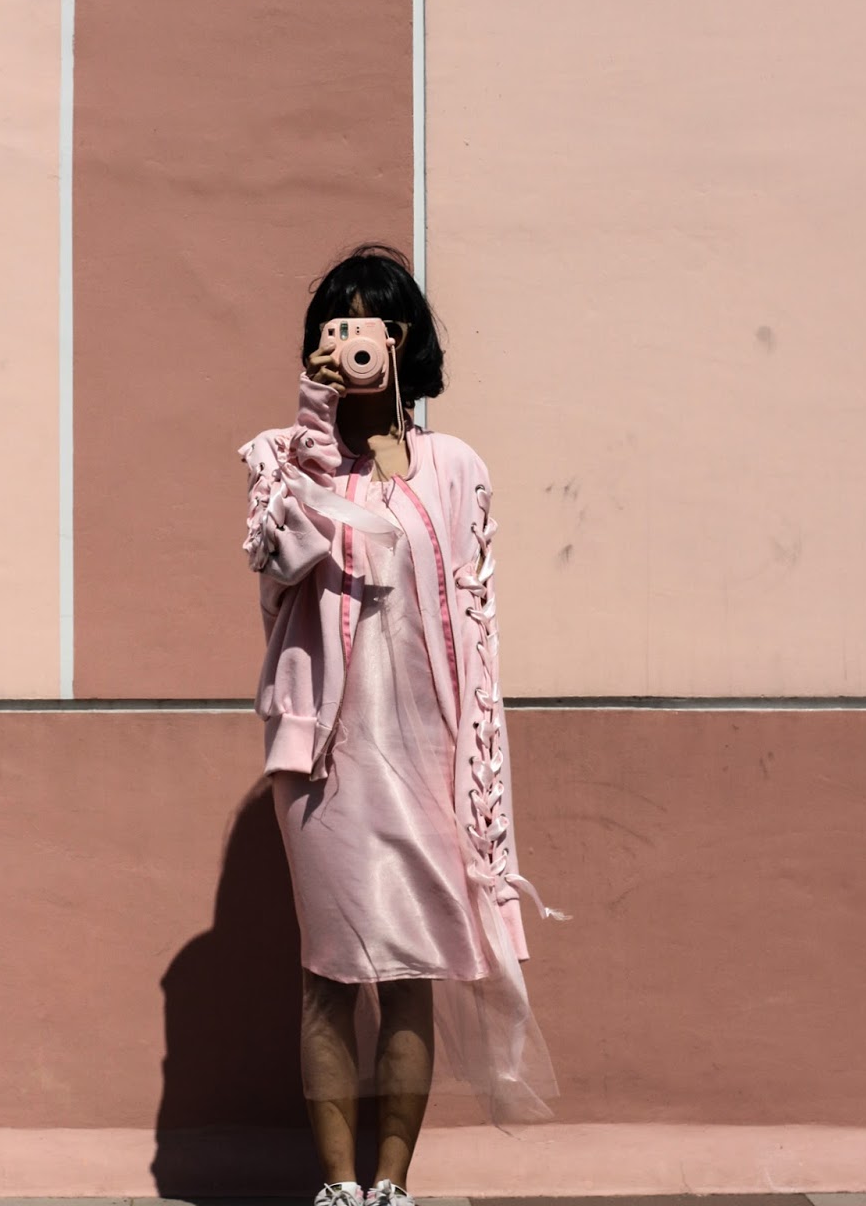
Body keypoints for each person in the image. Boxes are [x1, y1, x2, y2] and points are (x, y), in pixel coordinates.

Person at [237, 244, 570, 1206]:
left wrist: (481, 769)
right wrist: (314, 429)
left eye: (371, 325)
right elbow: (277, 560)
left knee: (412, 973)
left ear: (405, 341)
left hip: (428, 755)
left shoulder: (456, 467)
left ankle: (392, 1187)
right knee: (331, 975)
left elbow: (478, 622)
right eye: (334, 325)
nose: (352, 343)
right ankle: (338, 1188)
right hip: (325, 760)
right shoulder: (279, 457)